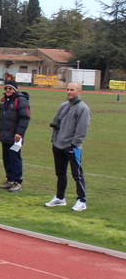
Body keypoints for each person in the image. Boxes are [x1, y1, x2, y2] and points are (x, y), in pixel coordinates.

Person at [45, 82, 92, 211]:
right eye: (68, 89)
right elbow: (55, 123)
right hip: (58, 144)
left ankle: (81, 200)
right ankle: (60, 198)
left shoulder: (83, 109)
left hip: (72, 147)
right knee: (60, 173)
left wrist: (73, 145)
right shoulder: (63, 106)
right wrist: (54, 139)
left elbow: (81, 130)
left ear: (79, 91)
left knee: (77, 174)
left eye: (72, 90)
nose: (69, 92)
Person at [0, 80, 31, 193]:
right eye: (6, 88)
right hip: (5, 135)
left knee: (15, 159)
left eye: (10, 88)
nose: (8, 90)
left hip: (15, 136)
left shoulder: (21, 100)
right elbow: (1, 118)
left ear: (15, 89)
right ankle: (10, 179)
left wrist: (19, 133)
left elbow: (25, 118)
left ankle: (17, 182)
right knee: (6, 158)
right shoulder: (3, 100)